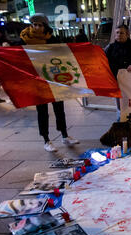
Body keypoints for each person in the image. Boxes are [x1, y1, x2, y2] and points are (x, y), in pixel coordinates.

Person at [18, 14, 79, 152]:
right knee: (42, 111)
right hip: (37, 81)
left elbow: (63, 56)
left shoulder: (52, 39)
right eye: (35, 24)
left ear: (45, 26)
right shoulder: (23, 39)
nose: (37, 27)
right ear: (31, 25)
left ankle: (64, 135)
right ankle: (46, 139)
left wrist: (67, 76)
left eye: (40, 25)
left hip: (54, 78)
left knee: (59, 109)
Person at [105, 24, 131, 121]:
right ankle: (121, 120)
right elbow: (104, 62)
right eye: (117, 33)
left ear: (127, 34)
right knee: (120, 103)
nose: (119, 35)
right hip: (116, 81)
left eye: (121, 33)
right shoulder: (110, 48)